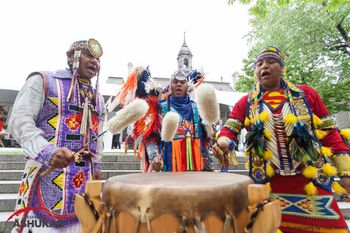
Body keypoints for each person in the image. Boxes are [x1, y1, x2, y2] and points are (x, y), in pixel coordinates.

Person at [214, 47, 350, 232]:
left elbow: (330, 133)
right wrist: (223, 142)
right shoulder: (246, 102)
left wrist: (346, 173)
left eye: (270, 62)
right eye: (259, 64)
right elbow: (230, 129)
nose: (264, 67)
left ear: (282, 68)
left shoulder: (306, 95)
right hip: (268, 186)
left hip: (312, 185)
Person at [8, 38, 105, 233]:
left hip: (83, 187)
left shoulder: (98, 98)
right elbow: (19, 121)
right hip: (43, 180)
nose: (94, 62)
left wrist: (97, 168)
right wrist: (48, 152)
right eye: (88, 55)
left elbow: (98, 140)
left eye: (97, 59)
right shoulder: (43, 80)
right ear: (70, 57)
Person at [142, 70, 213, 172]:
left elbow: (204, 139)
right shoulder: (161, 107)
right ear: (170, 85)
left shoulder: (197, 108)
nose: (179, 84)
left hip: (195, 163)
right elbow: (150, 136)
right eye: (175, 82)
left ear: (188, 86)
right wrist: (154, 156)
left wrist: (209, 164)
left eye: (183, 82)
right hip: (169, 162)